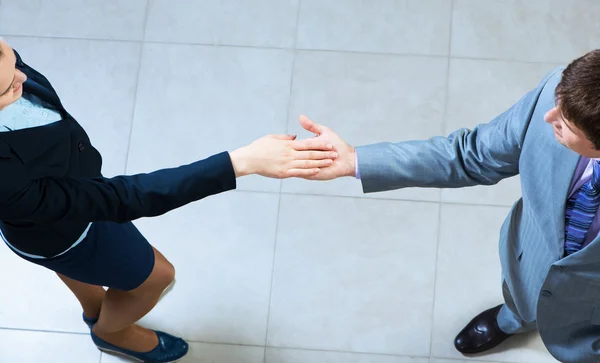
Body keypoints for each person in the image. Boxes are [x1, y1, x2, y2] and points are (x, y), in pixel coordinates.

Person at [0, 38, 338, 363]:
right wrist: (241, 162)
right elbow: (124, 197)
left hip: (57, 208)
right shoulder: (8, 181)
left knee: (80, 270)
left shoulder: (7, 70)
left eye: (14, 59)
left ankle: (95, 310)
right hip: (65, 231)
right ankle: (111, 333)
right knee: (157, 277)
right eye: (7, 87)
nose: (23, 78)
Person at [298, 49, 600, 363]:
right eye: (556, 105)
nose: (549, 118)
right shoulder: (559, 94)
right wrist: (354, 161)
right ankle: (511, 320)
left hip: (590, 318)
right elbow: (470, 155)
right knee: (520, 301)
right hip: (528, 262)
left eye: (566, 125)